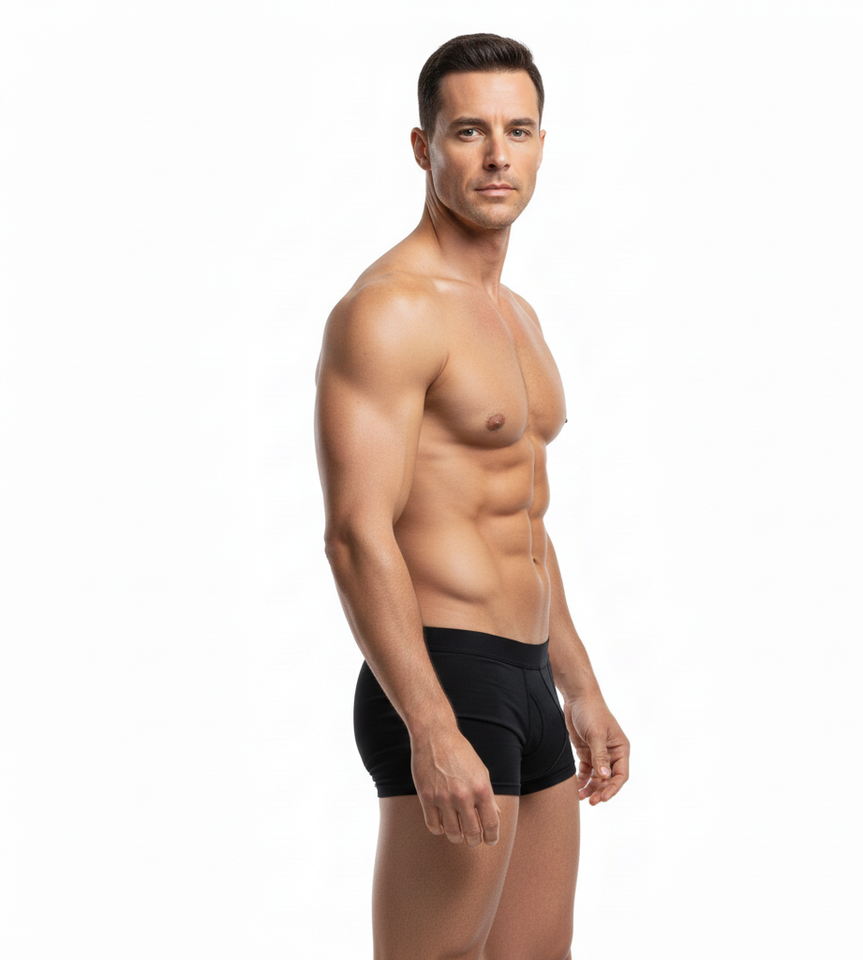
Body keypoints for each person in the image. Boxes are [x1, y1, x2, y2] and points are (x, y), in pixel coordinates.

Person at [314, 33, 630, 960]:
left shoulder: (514, 315)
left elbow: (524, 521)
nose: (497, 156)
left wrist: (580, 687)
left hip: (527, 673)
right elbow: (355, 534)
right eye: (468, 131)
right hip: (444, 670)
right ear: (423, 147)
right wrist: (430, 723)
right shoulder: (391, 309)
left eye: (516, 131)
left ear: (540, 144)